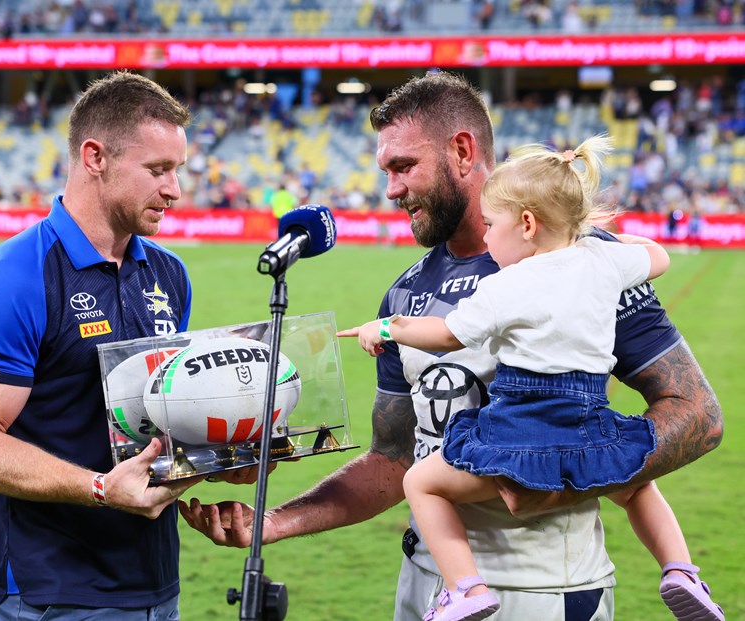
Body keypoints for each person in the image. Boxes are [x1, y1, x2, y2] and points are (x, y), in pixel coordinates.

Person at [179, 71, 723, 621]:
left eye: (403, 167)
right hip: (426, 587)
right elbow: (393, 459)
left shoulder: (578, 264)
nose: (391, 189)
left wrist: (559, 483)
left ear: (462, 151)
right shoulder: (406, 292)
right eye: (386, 171)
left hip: (539, 593)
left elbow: (697, 413)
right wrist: (274, 522)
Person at [339, 136, 723, 621]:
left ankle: (467, 589)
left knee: (422, 482)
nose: (486, 239)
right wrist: (605, 245)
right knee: (634, 484)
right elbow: (658, 257)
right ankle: (680, 570)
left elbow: (446, 335)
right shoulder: (602, 260)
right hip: (587, 419)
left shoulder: (506, 285)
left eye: (493, 226)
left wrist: (389, 327)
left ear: (526, 224)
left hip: (524, 423)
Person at [0, 71, 252, 620]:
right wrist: (101, 489)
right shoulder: (18, 275)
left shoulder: (168, 273)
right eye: (158, 170)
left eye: (178, 170)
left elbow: (153, 417)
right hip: (48, 596)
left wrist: (224, 450)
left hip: (156, 588)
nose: (175, 189)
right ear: (94, 157)